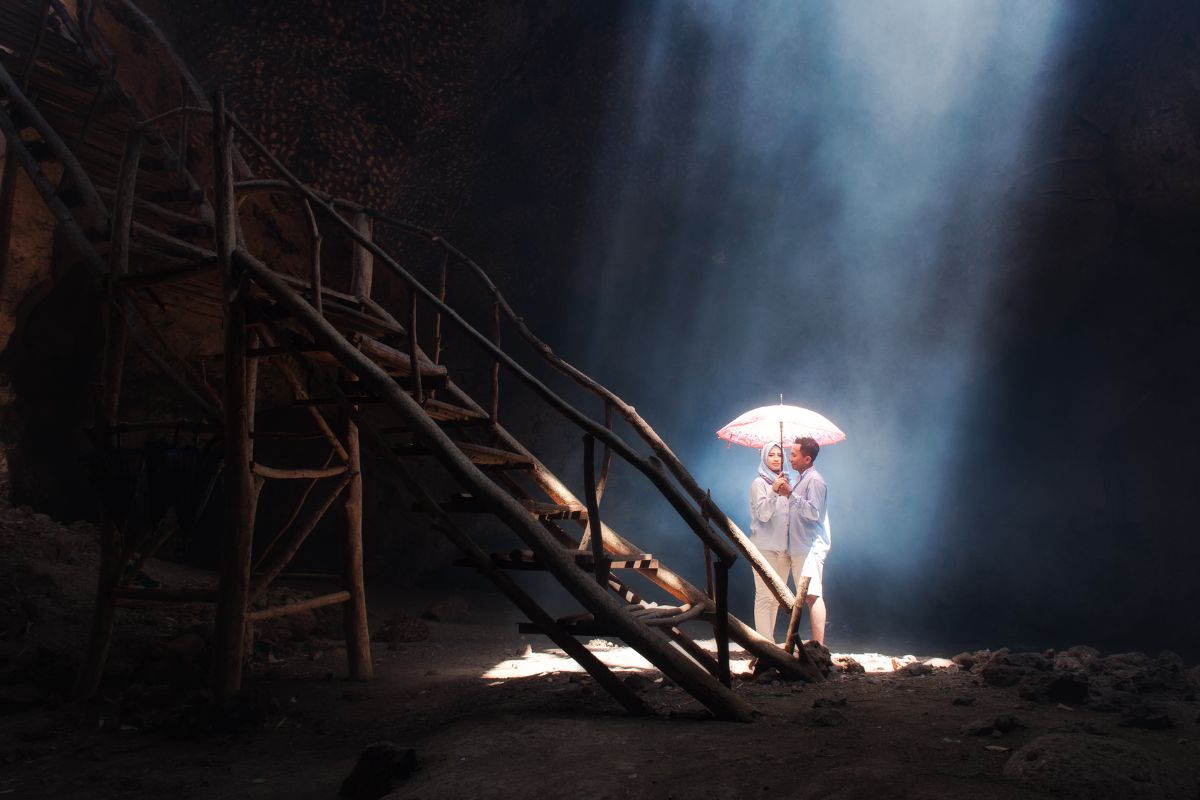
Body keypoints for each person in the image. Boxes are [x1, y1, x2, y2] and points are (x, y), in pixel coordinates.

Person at [748, 441, 804, 641]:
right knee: (764, 597)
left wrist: (786, 491)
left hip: (783, 550)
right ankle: (765, 647)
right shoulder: (759, 483)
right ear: (764, 457)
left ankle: (768, 644)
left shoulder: (787, 483)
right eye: (771, 455)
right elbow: (763, 515)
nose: (776, 459)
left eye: (779, 455)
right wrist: (773, 490)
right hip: (765, 548)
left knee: (775, 599)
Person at [788, 436, 829, 645]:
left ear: (807, 458)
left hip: (811, 546)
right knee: (806, 596)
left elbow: (813, 512)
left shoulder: (815, 481)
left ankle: (819, 646)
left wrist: (791, 496)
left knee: (813, 595)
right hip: (801, 545)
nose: (790, 458)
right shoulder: (801, 479)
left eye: (794, 454)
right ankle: (813, 644)